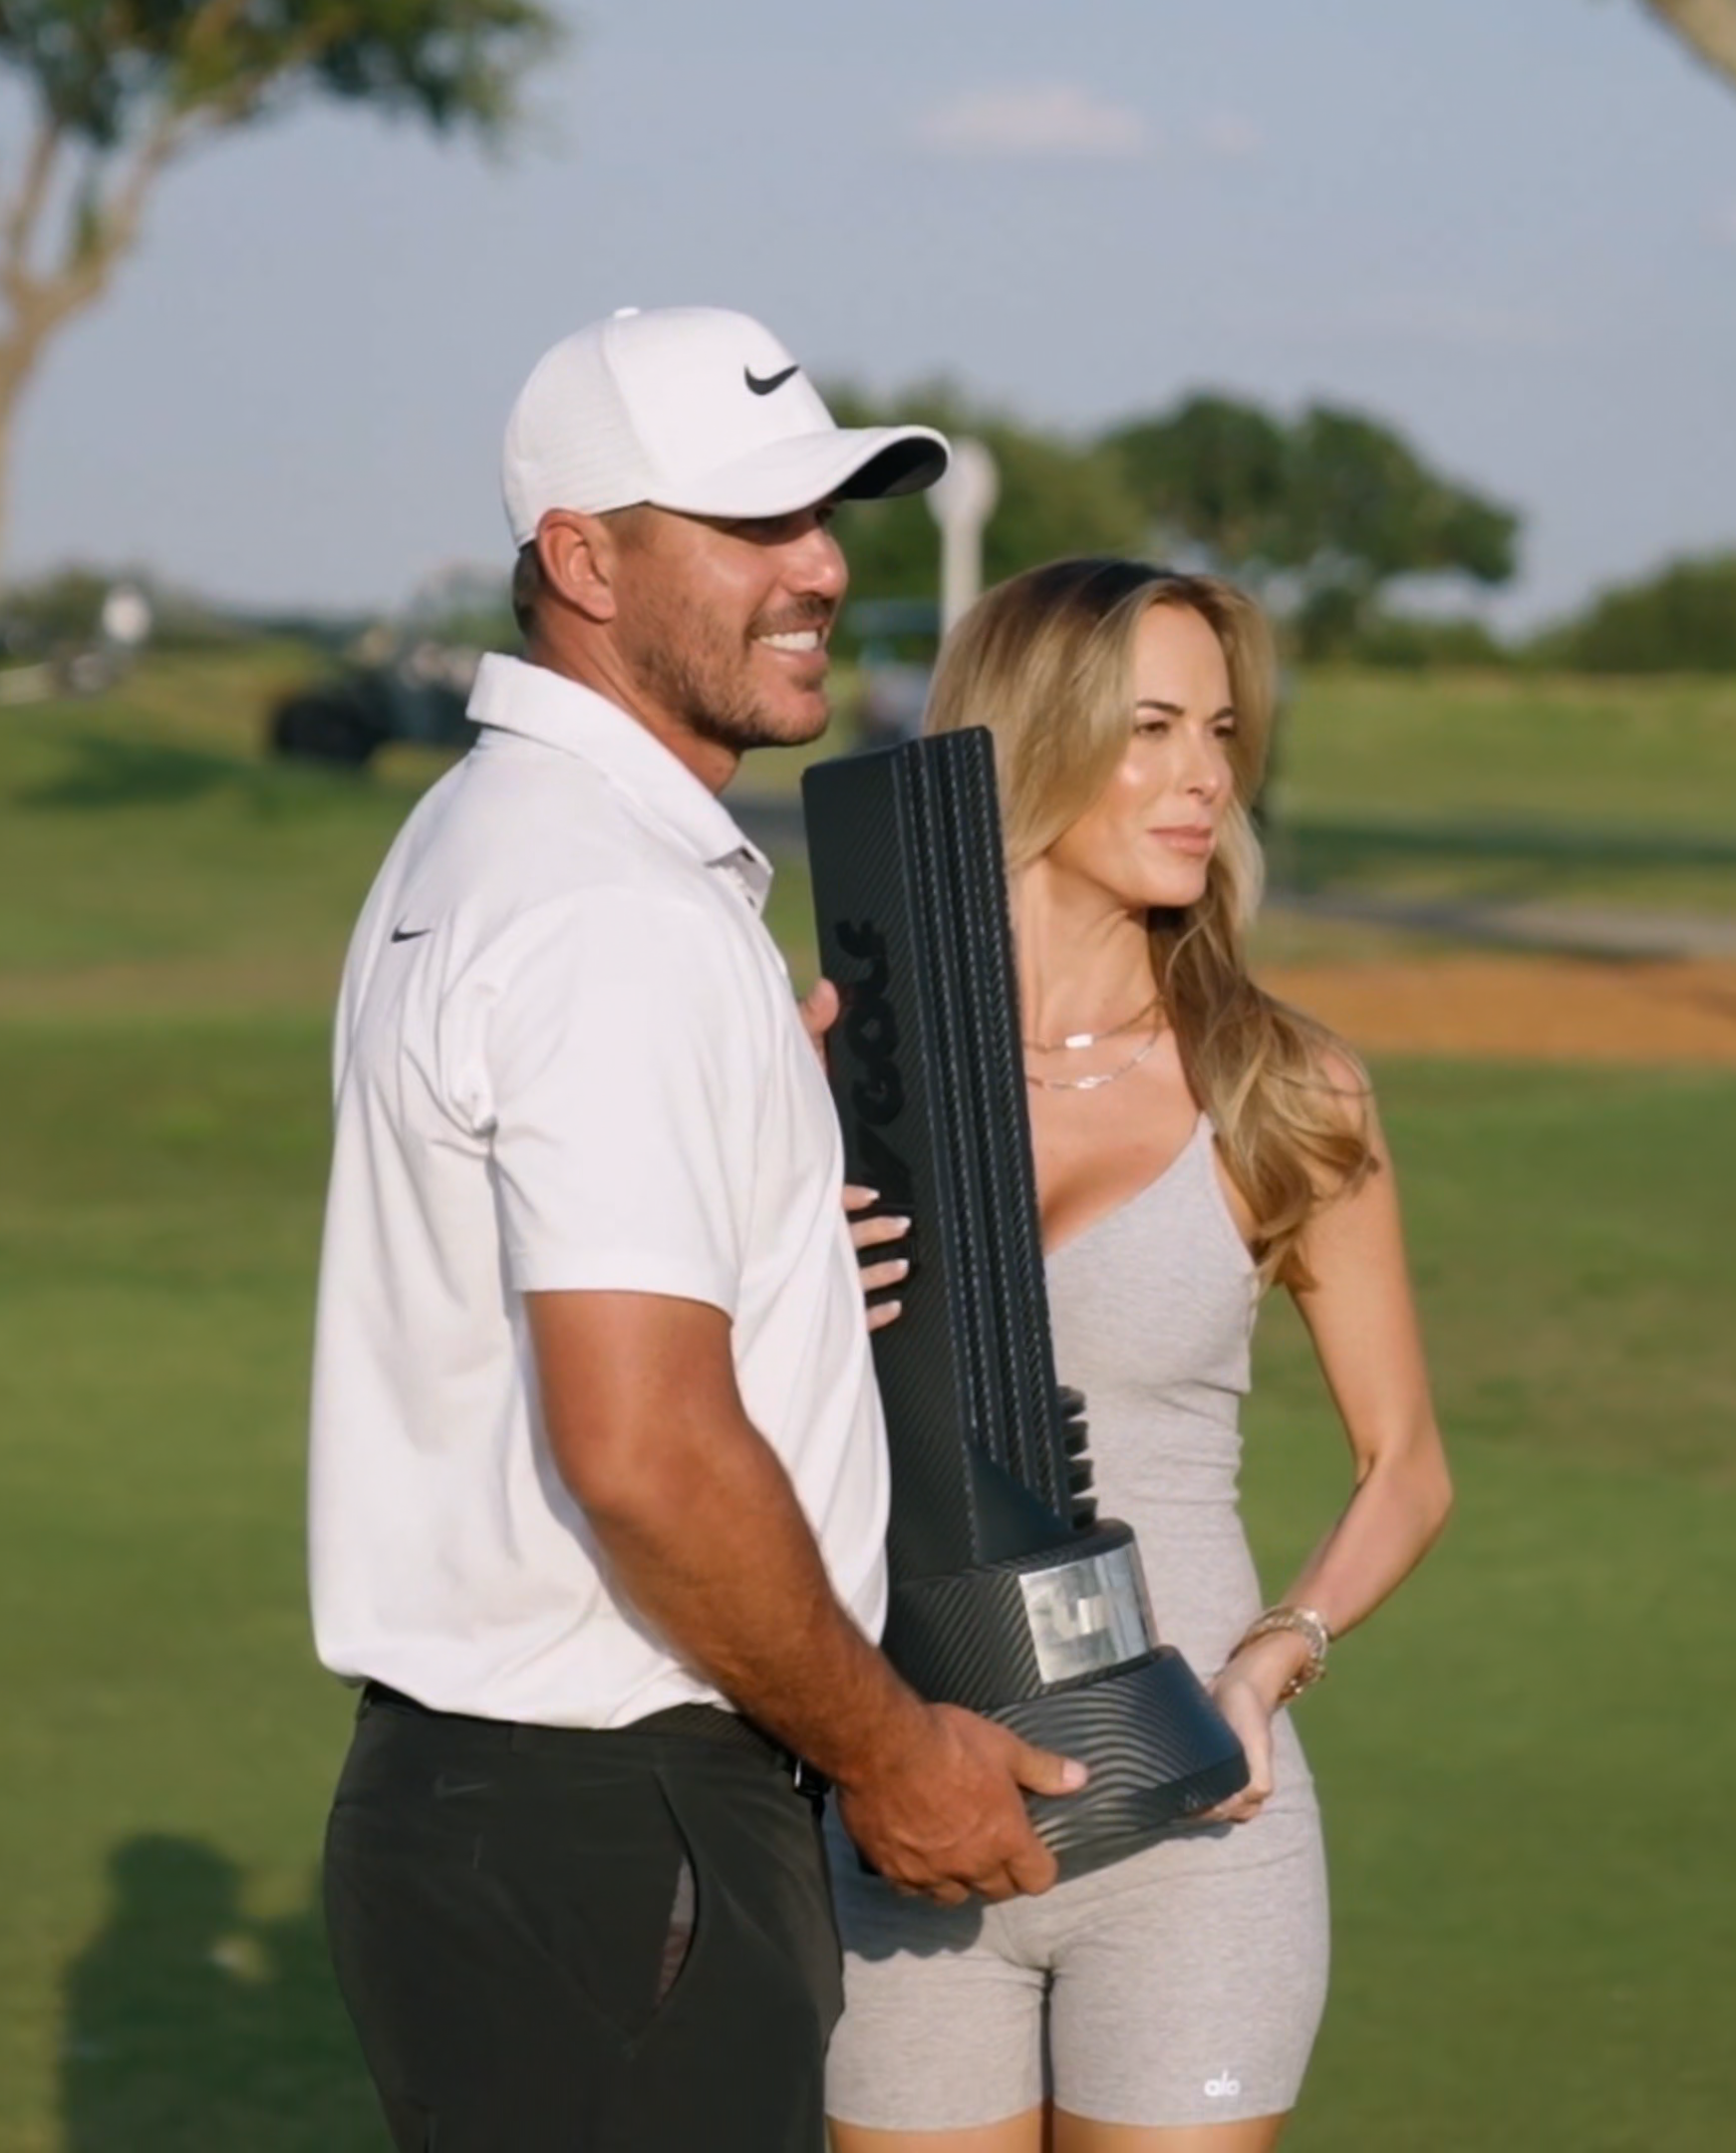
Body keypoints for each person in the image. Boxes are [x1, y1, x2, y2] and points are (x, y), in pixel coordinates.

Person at [308, 305, 1086, 2153]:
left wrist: (757, 1192)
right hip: (621, 1815)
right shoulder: (614, 909)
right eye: (751, 524)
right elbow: (645, 1450)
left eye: (821, 516)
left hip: (504, 1815)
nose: (819, 567)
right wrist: (893, 1755)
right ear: (582, 561)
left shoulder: (486, 834)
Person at [824, 558, 1458, 2152]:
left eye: (1222, 733)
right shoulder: (826, 1078)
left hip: (1195, 1821)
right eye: (1152, 727)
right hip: (903, 1809)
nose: (1205, 778)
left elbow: (1406, 1467)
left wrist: (1267, 1666)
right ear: (1030, 738)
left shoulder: (1281, 1086)